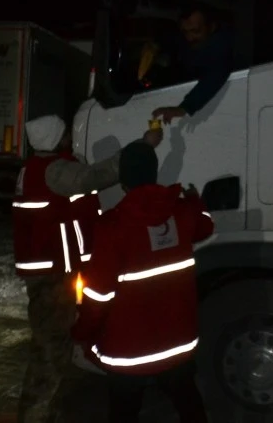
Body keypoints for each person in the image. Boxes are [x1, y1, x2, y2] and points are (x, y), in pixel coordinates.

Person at [13, 114, 163, 423]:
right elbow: (93, 177)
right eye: (65, 133)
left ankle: (43, 412)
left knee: (53, 346)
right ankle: (35, 415)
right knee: (50, 350)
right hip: (53, 277)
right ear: (56, 138)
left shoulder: (41, 168)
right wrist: (141, 147)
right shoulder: (54, 171)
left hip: (50, 273)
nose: (69, 136)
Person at [72, 141, 214, 423]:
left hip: (128, 354)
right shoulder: (181, 212)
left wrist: (82, 333)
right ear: (154, 172)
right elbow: (205, 226)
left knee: (123, 413)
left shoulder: (112, 226)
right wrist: (196, 201)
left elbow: (98, 295)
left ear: (123, 180)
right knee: (190, 406)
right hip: (177, 346)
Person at [152, 4, 234, 124]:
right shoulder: (191, 41)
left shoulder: (221, 46)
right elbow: (174, 40)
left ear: (212, 27)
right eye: (185, 32)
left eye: (195, 31)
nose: (189, 38)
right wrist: (156, 45)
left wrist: (185, 107)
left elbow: (215, 75)